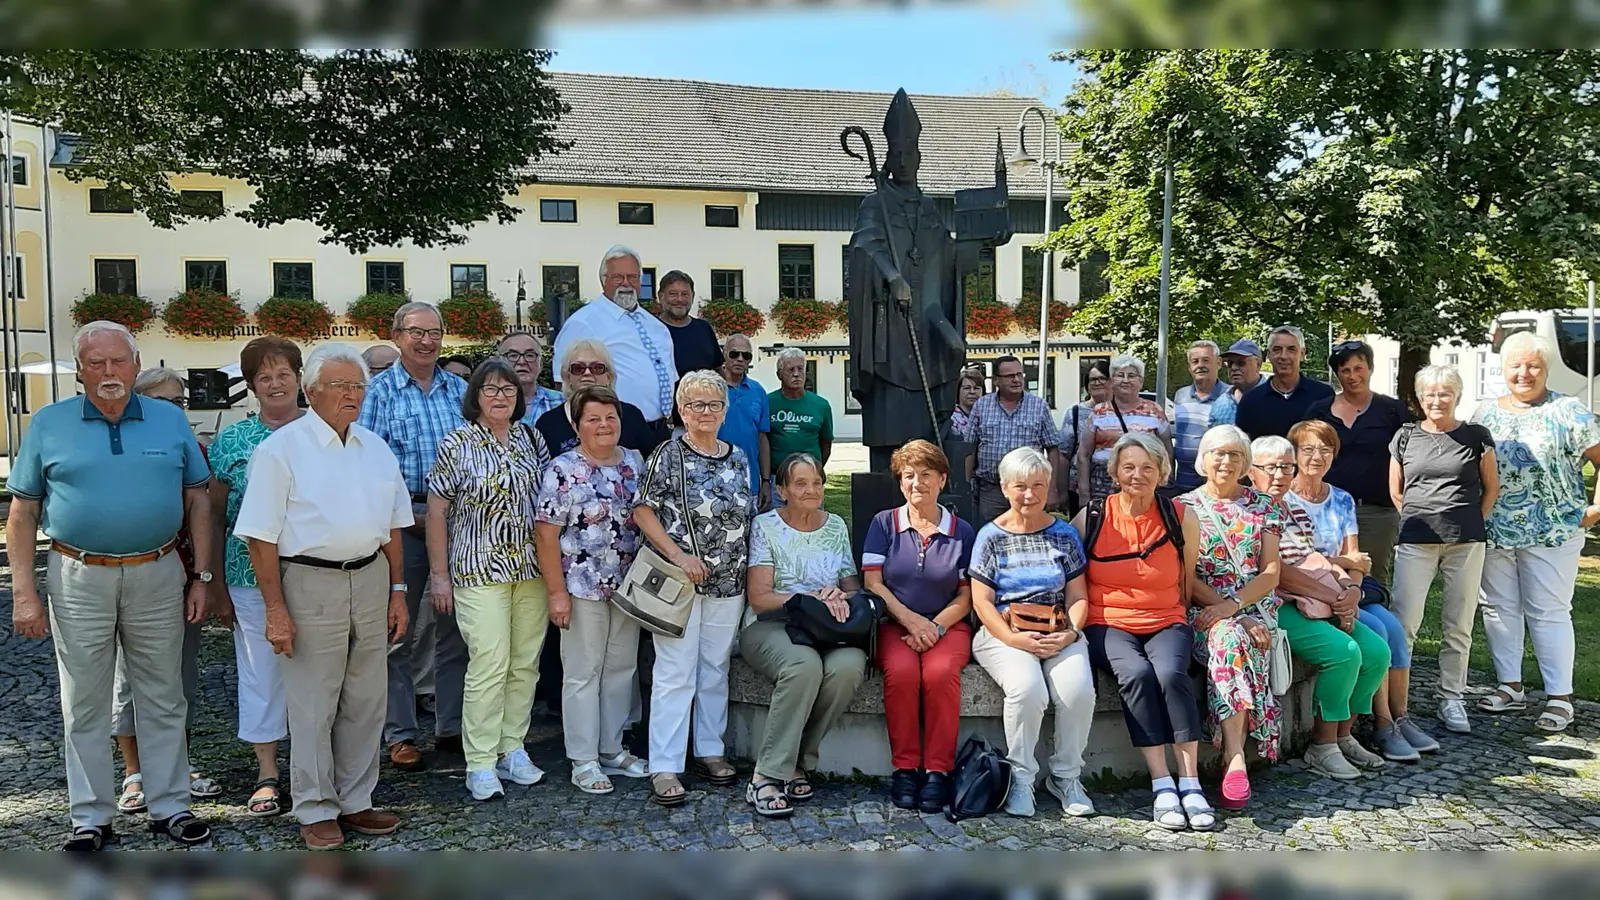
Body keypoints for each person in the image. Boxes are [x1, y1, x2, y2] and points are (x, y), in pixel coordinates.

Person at [8, 322, 215, 850]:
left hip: (158, 570)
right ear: (79, 370)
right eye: (95, 363)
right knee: (84, 701)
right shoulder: (49, 424)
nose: (107, 373)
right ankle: (90, 817)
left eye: (117, 361)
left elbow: (198, 502)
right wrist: (26, 593)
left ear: (135, 362)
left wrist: (203, 578)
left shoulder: (169, 420)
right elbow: (24, 511)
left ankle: (170, 805)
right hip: (77, 574)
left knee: (164, 695)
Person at [234, 342, 412, 851]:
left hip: (370, 577)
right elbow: (260, 538)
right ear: (311, 392)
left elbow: (394, 528)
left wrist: (397, 591)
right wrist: (275, 609)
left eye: (358, 385)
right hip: (310, 581)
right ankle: (314, 806)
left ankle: (356, 800)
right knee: (314, 700)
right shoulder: (280, 450)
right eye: (340, 386)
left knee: (366, 697)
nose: (352, 394)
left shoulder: (375, 448)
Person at [426, 358, 552, 801]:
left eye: (509, 390)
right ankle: (479, 760)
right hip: (477, 569)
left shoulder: (531, 438)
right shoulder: (457, 443)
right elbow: (437, 511)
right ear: (475, 395)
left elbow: (547, 505)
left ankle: (511, 747)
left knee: (524, 662)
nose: (501, 397)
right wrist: (438, 575)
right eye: (491, 389)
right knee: (488, 662)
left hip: (530, 568)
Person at [1074, 433, 1214, 831]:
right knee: (1136, 673)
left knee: (1171, 675)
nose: (1137, 474)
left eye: (1148, 467)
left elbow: (1186, 579)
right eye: (1129, 466)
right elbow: (1073, 575)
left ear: (1162, 472)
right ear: (1115, 471)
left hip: (1166, 617)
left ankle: (1190, 782)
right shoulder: (1093, 516)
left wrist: (1191, 613)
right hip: (1107, 621)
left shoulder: (1179, 516)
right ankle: (1161, 783)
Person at [633, 370, 755, 806]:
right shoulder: (668, 453)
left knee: (715, 667)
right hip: (679, 581)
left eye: (714, 404)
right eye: (696, 404)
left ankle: (709, 749)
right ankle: (664, 764)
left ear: (725, 410)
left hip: (729, 580)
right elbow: (642, 510)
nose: (705, 412)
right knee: (674, 671)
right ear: (681, 411)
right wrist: (678, 557)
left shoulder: (737, 455)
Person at [357, 301, 469, 771]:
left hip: (461, 524)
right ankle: (400, 733)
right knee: (396, 629)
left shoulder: (462, 391)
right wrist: (412, 517)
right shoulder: (377, 393)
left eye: (435, 332)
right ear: (398, 335)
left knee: (457, 631)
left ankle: (452, 725)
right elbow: (365, 466)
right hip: (400, 524)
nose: (426, 341)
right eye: (416, 332)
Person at [1471, 331, 1600, 734]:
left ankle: (1559, 697)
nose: (1524, 373)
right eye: (1516, 365)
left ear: (1545, 369)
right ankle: (1510, 685)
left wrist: (1596, 509)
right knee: (1498, 609)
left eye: (1533, 366)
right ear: (1503, 369)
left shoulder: (1570, 412)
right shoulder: (1484, 414)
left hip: (1553, 530)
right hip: (1494, 528)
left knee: (1548, 612)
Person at [108, 368, 222, 817]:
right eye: (163, 400)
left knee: (179, 677)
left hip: (185, 571)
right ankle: (135, 771)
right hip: (128, 570)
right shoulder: (116, 443)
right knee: (127, 678)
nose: (174, 409)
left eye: (180, 401)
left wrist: (206, 578)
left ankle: (178, 764)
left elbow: (206, 510)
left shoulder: (190, 446)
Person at [1249, 435, 1392, 781]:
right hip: (1272, 604)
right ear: (1251, 472)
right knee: (1344, 653)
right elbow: (1275, 574)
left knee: (1376, 652)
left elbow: (1312, 560)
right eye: (1271, 467)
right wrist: (1333, 598)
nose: (1280, 475)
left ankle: (1344, 735)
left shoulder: (1294, 509)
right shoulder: (1249, 509)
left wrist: (1348, 591)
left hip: (1315, 599)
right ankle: (1322, 745)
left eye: (1286, 466)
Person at [206, 338, 308, 820]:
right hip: (246, 572)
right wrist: (212, 581)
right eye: (263, 377)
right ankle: (267, 771)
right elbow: (214, 511)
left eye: (282, 373)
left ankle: (317, 767)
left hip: (315, 572)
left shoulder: (324, 431)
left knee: (320, 673)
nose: (274, 383)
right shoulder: (232, 440)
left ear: (299, 378)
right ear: (251, 386)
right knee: (260, 671)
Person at [968, 447, 1097, 819]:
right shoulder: (990, 537)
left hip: (1059, 629)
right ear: (1005, 487)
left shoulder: (1063, 534)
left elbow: (1077, 594)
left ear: (1049, 486)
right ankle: (1021, 778)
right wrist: (1013, 640)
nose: (1029, 494)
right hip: (1004, 632)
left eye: (1038, 485)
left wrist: (1071, 632)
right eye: (1020, 486)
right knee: (1027, 691)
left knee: (1077, 691)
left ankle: (1066, 777)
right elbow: (982, 602)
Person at [534, 385, 650, 795]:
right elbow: (546, 536)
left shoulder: (634, 462)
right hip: (581, 585)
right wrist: (556, 594)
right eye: (594, 418)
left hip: (629, 586)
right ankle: (582, 758)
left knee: (621, 669)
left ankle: (611, 748)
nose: (604, 425)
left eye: (610, 417)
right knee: (583, 672)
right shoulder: (563, 469)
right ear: (577, 425)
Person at [1285, 418, 1421, 761]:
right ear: (1294, 454)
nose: (1317, 456)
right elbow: (1317, 559)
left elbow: (1358, 561)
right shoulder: (1280, 498)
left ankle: (1394, 719)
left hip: (1342, 589)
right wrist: (1344, 565)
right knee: (1373, 631)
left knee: (1393, 630)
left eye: (1326, 449)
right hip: (1308, 592)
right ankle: (1378, 722)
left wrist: (1351, 595)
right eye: (1309, 449)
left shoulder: (1342, 499)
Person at [740, 453, 864, 819]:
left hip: (827, 627)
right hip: (772, 626)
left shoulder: (836, 525)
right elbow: (760, 599)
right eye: (800, 483)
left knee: (850, 666)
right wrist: (807, 597)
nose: (812, 490)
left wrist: (839, 595)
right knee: (803, 665)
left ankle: (798, 761)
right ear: (782, 491)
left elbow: (853, 588)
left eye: (817, 482)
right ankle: (766, 774)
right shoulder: (766, 526)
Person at [861, 440, 975, 814]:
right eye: (909, 476)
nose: (917, 483)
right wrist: (910, 620)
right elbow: (873, 583)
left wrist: (933, 628)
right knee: (902, 673)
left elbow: (966, 595)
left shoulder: (962, 531)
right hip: (895, 624)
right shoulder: (883, 524)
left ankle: (938, 771)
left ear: (942, 479)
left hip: (947, 625)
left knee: (941, 673)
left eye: (926, 475)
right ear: (900, 482)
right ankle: (906, 768)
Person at [1388, 365, 1497, 737]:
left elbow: (1490, 488)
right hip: (1416, 541)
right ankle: (1393, 703)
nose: (1437, 399)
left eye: (1445, 393)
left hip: (1466, 542)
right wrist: (1418, 520)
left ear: (1457, 396)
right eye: (1430, 393)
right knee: (1404, 623)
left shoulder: (1476, 436)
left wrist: (1467, 524)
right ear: (1420, 398)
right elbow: (1396, 490)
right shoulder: (1404, 437)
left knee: (1459, 625)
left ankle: (1451, 696)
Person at [1178, 425, 1281, 811]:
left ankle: (1231, 755)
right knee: (1229, 637)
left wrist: (1235, 607)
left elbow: (1271, 572)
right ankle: (1235, 755)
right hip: (1203, 609)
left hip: (1251, 607)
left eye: (1234, 455)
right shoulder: (1185, 507)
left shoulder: (1265, 506)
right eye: (1217, 453)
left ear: (1246, 462)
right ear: (1202, 459)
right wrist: (1225, 610)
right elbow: (1185, 578)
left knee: (1233, 636)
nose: (1224, 461)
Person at [1305, 339, 1414, 584]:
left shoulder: (1392, 411)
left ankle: (1374, 623)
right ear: (1337, 375)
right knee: (1325, 575)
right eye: (1345, 370)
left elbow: (1410, 458)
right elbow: (1302, 455)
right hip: (1327, 510)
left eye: (1358, 368)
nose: (1352, 376)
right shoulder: (1319, 412)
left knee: (1373, 578)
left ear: (1370, 368)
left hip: (1377, 512)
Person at [551, 244, 678, 448]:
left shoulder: (656, 325)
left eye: (633, 277)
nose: (626, 283)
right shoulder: (583, 322)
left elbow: (671, 377)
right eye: (618, 277)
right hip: (615, 431)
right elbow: (563, 383)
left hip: (662, 431)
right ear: (603, 281)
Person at [961, 355, 1062, 523]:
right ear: (996, 381)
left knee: (1027, 537)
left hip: (1028, 491)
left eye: (1019, 375)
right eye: (1009, 376)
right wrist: (966, 485)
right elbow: (969, 448)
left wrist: (1052, 489)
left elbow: (1052, 448)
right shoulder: (981, 405)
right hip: (991, 491)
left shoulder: (1039, 406)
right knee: (990, 535)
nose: (1016, 380)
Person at [536, 338, 662, 459]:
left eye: (597, 368)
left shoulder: (631, 416)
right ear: (567, 376)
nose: (587, 373)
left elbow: (650, 465)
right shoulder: (548, 423)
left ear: (609, 376)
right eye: (578, 368)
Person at [1078, 355, 1172, 504]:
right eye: (1120, 375)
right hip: (1102, 489)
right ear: (1112, 381)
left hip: (1142, 485)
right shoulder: (1098, 412)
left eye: (1132, 376)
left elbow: (1167, 452)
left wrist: (1163, 486)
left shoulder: (1155, 411)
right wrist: (1084, 493)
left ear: (1140, 381)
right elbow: (1084, 454)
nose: (1125, 380)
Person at [1234, 326, 1334, 438]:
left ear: (1302, 354)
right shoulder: (1250, 400)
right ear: (1268, 354)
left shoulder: (1323, 395)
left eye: (1291, 350)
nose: (1283, 356)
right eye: (1277, 350)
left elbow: (1330, 441)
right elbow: (1244, 447)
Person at [718, 333, 771, 506]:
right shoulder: (711, 387)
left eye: (746, 355)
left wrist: (765, 481)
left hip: (750, 481)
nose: (740, 359)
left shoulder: (758, 391)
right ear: (724, 354)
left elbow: (762, 439)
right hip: (715, 478)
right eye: (734, 354)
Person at [767, 347, 834, 481]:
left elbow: (826, 443)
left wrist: (816, 468)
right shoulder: (767, 402)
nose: (796, 374)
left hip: (810, 476)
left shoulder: (821, 405)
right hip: (776, 478)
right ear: (779, 374)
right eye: (791, 370)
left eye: (800, 369)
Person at [1057, 362, 1111, 514]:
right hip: (1078, 491)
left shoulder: (1124, 411)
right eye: (1092, 379)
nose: (1097, 382)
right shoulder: (1075, 412)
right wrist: (1061, 492)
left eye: (1102, 378)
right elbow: (1063, 455)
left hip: (1114, 489)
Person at [1172, 341, 1228, 489]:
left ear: (1218, 362)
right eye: (1195, 361)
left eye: (1206, 360)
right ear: (1189, 367)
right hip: (1183, 482)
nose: (1200, 365)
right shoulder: (1181, 395)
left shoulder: (1230, 395)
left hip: (1216, 481)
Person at [655, 270, 723, 377]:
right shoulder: (650, 329)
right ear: (661, 296)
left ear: (693, 296)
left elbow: (717, 369)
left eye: (685, 294)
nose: (679, 299)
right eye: (673, 294)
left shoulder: (704, 329)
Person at [495, 331, 565, 425]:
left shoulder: (562, 403)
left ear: (540, 364)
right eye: (513, 355)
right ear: (499, 362)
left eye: (530, 355)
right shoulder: (488, 405)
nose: (522, 361)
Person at [1209, 339, 1266, 427]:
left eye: (1241, 362)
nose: (1234, 368)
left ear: (1258, 364)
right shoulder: (1220, 403)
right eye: (1230, 363)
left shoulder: (1275, 399)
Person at [949, 366, 986, 437]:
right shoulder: (950, 418)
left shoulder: (989, 416)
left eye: (976, 388)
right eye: (967, 388)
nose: (972, 392)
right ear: (958, 390)